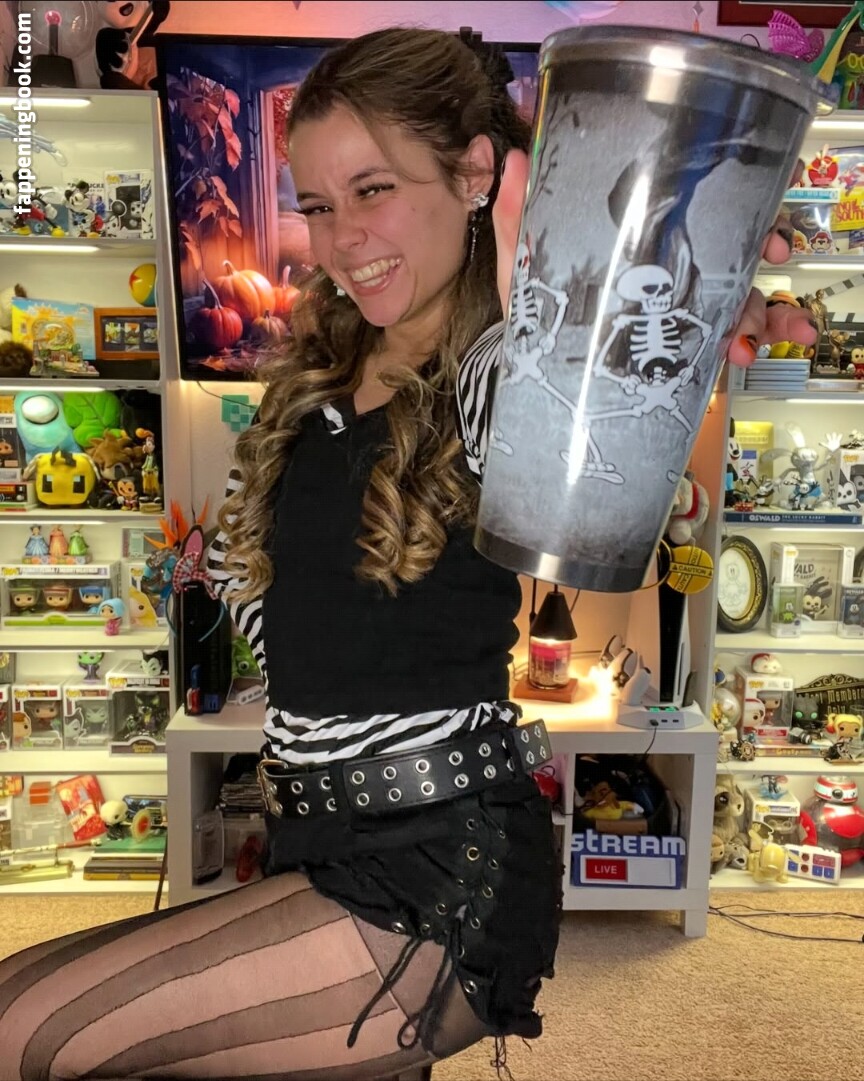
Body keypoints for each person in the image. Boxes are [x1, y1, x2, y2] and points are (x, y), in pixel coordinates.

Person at [0, 26, 816, 1081]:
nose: (342, 239)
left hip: (435, 871)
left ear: (476, 174)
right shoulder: (319, 374)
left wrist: (656, 303)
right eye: (317, 204)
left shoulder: (497, 373)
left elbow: (582, 413)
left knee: (22, 1024)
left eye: (374, 189)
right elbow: (279, 614)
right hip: (314, 836)